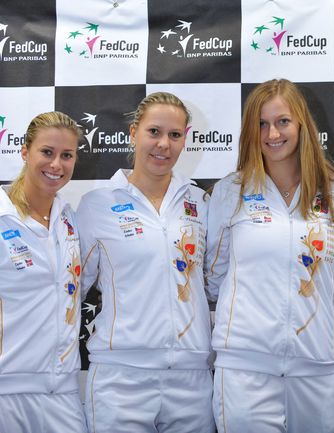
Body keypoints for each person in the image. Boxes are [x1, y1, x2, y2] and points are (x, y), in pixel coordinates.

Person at [206, 78, 334, 433]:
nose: (272, 133)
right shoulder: (230, 192)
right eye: (261, 124)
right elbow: (214, 279)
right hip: (246, 369)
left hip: (315, 369)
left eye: (282, 121)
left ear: (302, 124)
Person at [77, 92, 215, 432]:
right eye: (154, 132)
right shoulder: (96, 205)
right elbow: (70, 290)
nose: (163, 144)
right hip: (121, 380)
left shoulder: (201, 202)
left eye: (174, 134)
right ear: (133, 132)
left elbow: (215, 281)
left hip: (192, 379)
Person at [0, 112, 85, 432]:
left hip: (62, 390)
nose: (56, 165)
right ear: (25, 152)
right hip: (6, 391)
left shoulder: (69, 219)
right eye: (47, 152)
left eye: (67, 155)